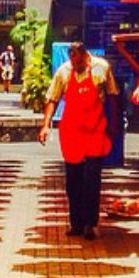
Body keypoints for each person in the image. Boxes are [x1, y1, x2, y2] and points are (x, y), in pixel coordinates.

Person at [38, 42, 118, 240]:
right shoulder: (64, 72)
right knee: (73, 181)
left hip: (95, 131)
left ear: (85, 55)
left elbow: (113, 96)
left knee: (92, 179)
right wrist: (46, 125)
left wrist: (114, 124)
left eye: (78, 61)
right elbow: (52, 99)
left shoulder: (102, 68)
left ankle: (90, 223)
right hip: (72, 132)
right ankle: (76, 223)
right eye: (72, 61)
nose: (75, 66)